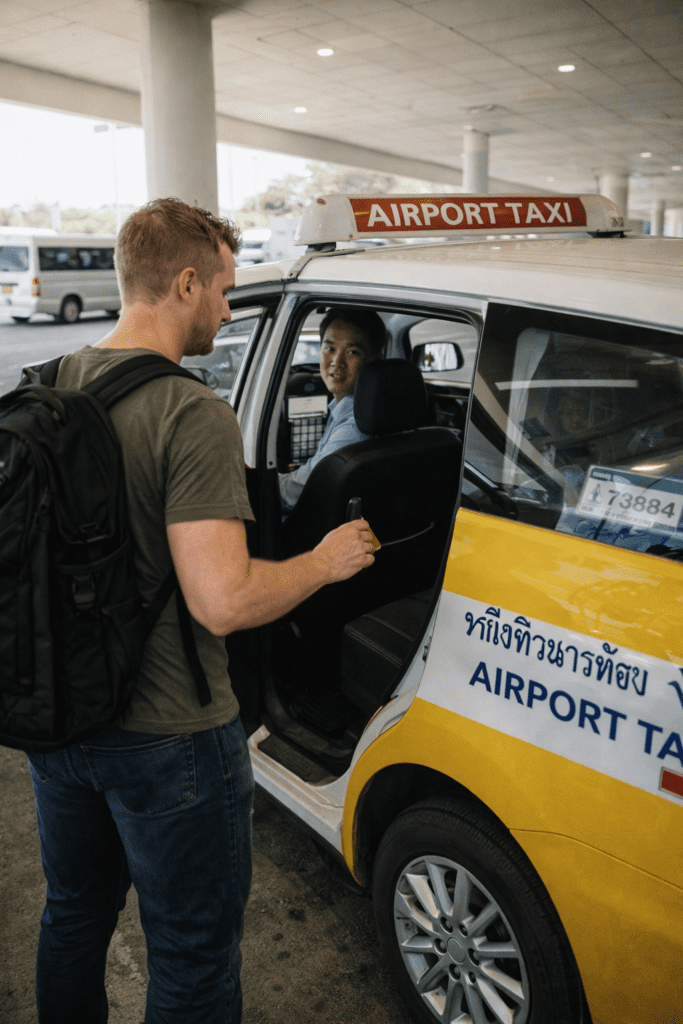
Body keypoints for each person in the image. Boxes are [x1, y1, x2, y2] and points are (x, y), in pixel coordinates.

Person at [25, 198, 375, 1024]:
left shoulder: (47, 389)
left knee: (73, 914)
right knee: (189, 954)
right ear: (184, 283)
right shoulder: (191, 412)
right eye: (220, 288)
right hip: (168, 739)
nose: (225, 306)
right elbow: (223, 601)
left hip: (57, 719)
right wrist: (323, 562)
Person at [279, 307, 385, 512]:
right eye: (330, 349)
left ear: (373, 361)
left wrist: (252, 482)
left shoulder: (355, 429)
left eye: (352, 352)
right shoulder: (356, 414)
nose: (337, 362)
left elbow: (294, 495)